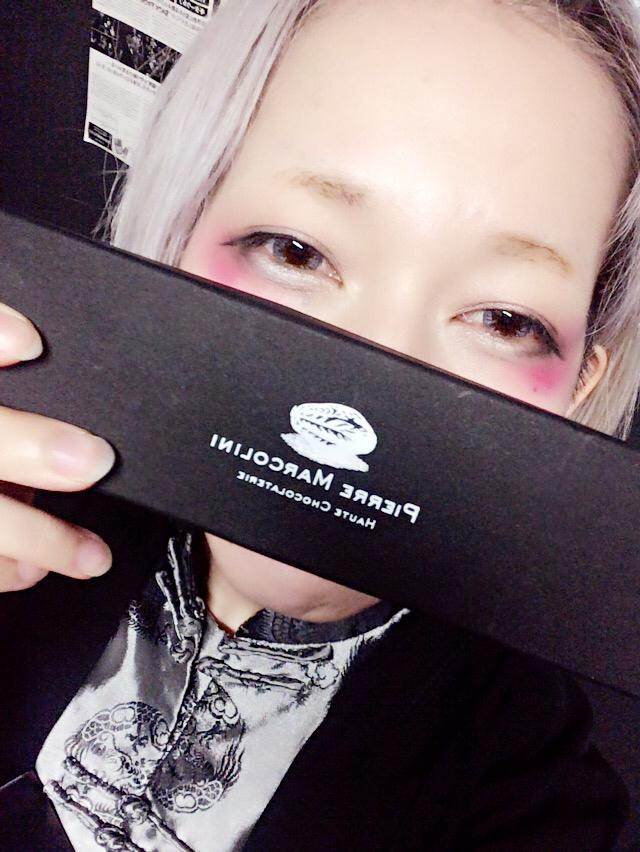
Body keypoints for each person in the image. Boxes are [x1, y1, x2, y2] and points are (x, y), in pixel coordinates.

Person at [1, 0, 639, 848]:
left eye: (504, 320)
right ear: (178, 234)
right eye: (296, 251)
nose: (374, 373)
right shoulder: (34, 495)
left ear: (578, 391)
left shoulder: (531, 784)